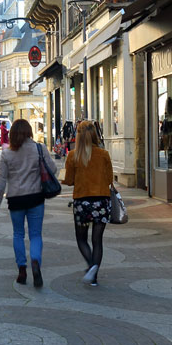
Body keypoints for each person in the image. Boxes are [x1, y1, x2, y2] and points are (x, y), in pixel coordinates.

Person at [0, 119, 54, 287]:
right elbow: (53, 169)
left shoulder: (7, 153)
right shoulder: (39, 148)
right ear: (29, 131)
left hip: (16, 198)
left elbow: (1, 181)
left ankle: (21, 268)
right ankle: (35, 261)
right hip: (35, 197)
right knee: (35, 234)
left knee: (18, 234)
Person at [61, 120, 115, 286]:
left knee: (81, 239)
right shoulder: (104, 154)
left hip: (82, 201)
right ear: (95, 135)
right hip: (101, 201)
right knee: (97, 240)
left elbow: (69, 181)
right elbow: (109, 179)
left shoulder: (73, 155)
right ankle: (94, 274)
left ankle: (91, 266)